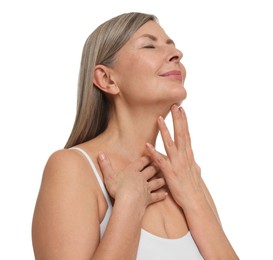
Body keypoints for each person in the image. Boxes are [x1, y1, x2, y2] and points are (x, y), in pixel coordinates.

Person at [32, 12, 239, 259]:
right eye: (149, 45)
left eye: (172, 46)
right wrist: (129, 206)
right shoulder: (73, 169)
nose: (177, 54)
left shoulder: (186, 179)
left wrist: (195, 199)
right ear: (107, 79)